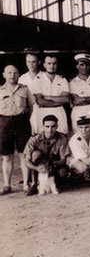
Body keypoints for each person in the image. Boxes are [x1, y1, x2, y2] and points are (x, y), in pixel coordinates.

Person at [0, 65, 34, 195]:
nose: (12, 75)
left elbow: (31, 108)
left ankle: (26, 184)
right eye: (9, 73)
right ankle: (7, 185)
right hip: (4, 123)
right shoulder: (0, 91)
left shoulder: (25, 90)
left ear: (19, 74)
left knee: (24, 155)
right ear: (4, 74)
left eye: (15, 73)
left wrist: (22, 120)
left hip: (22, 122)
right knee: (7, 156)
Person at [23, 115, 70, 196]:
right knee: (35, 154)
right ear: (43, 127)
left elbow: (63, 159)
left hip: (54, 165)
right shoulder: (35, 139)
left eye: (53, 126)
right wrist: (36, 168)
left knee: (63, 172)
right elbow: (26, 160)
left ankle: (58, 182)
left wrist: (52, 165)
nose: (50, 130)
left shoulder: (62, 138)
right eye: (47, 126)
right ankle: (34, 184)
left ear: (57, 126)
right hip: (39, 167)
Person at [31, 54, 70, 135]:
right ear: (44, 65)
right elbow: (40, 101)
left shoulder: (62, 79)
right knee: (42, 137)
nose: (52, 66)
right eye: (49, 63)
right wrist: (59, 100)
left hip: (58, 111)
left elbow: (66, 99)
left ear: (57, 64)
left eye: (54, 63)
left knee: (61, 136)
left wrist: (47, 97)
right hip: (42, 111)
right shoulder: (38, 79)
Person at [69, 54, 90, 132]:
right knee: (80, 135)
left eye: (87, 65)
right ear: (77, 66)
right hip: (78, 111)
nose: (84, 67)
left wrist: (83, 99)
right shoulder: (72, 82)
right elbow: (76, 101)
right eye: (82, 65)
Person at [18, 48, 43, 134]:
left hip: (43, 110)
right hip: (29, 112)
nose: (30, 65)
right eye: (28, 62)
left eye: (33, 62)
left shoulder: (44, 76)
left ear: (39, 62)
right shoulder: (22, 78)